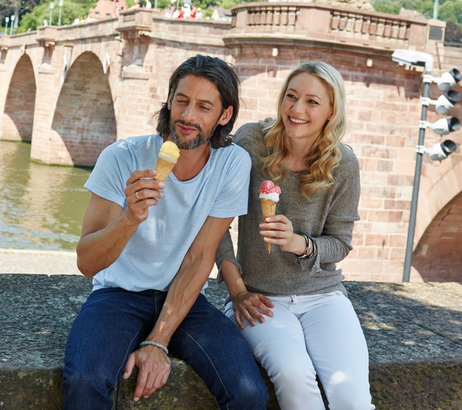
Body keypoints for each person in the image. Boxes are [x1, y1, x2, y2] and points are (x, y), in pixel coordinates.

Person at [61, 55, 267, 409]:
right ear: (169, 99)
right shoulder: (121, 157)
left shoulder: (232, 164)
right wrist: (130, 218)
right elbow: (87, 262)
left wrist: (157, 341)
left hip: (184, 298)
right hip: (118, 294)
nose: (188, 116)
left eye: (204, 107)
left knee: (248, 391)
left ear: (225, 115)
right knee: (84, 381)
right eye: (182, 101)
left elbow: (201, 256)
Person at [216, 61, 374, 410]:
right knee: (294, 376)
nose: (297, 109)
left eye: (312, 102)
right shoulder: (251, 142)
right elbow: (215, 224)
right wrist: (237, 291)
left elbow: (341, 243)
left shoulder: (343, 163)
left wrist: (299, 243)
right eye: (291, 96)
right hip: (260, 298)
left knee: (352, 399)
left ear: (332, 110)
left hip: (322, 296)